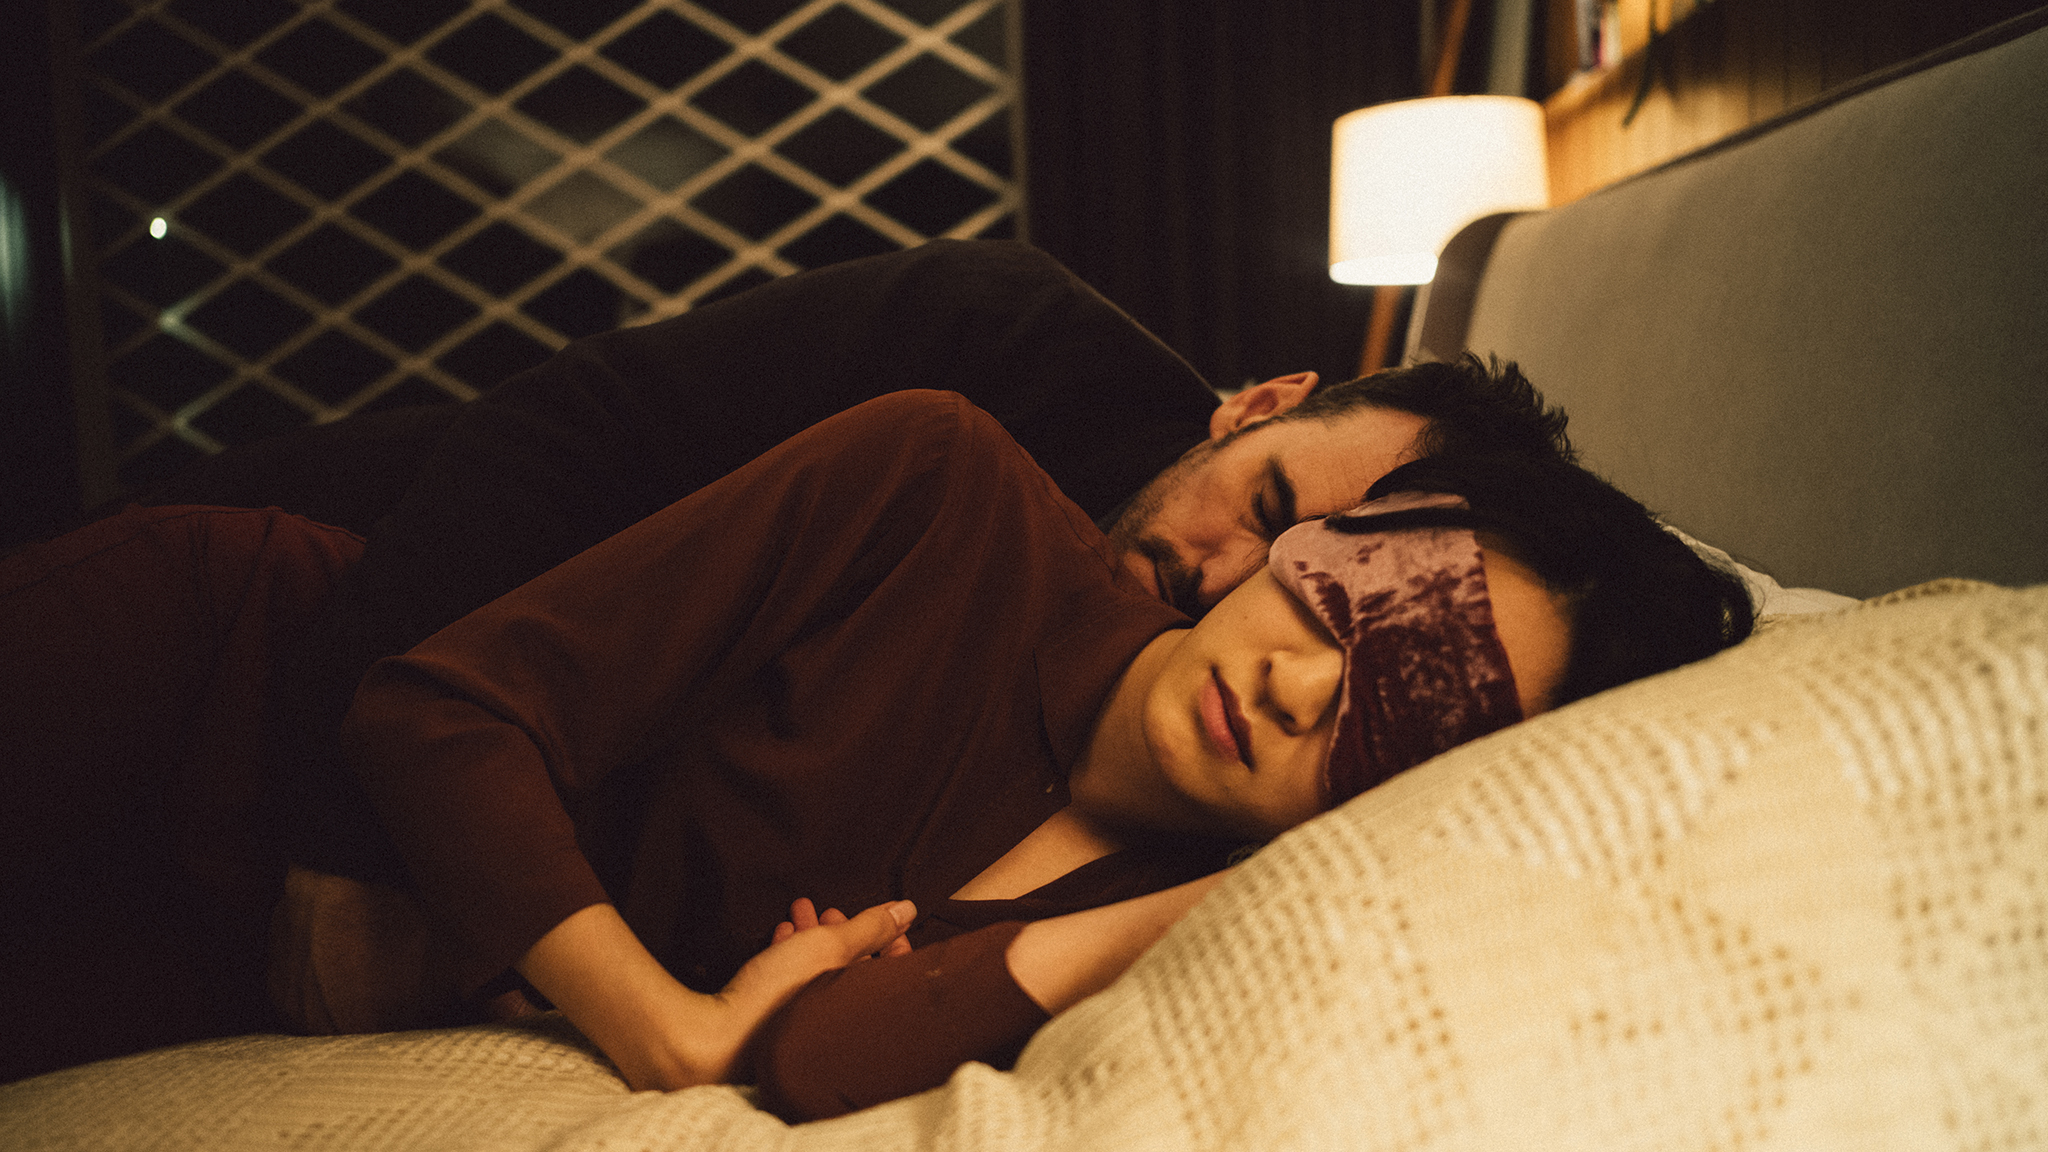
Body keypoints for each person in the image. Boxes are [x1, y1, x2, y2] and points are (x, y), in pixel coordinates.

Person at [277, 390, 1749, 1120]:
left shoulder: (1199, 909)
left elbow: (813, 1056)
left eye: (1406, 714)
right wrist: (670, 1031)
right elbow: (434, 717)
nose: (1301, 687)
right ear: (1328, 534)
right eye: (1349, 601)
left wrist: (1274, 871)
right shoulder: (942, 490)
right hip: (224, 710)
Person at [158, 240, 1570, 894]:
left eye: (1317, 579)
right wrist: (343, 845)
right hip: (329, 586)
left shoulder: (1198, 741)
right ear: (1256, 403)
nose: (1223, 578)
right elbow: (564, 435)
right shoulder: (1000, 348)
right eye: (1262, 506)